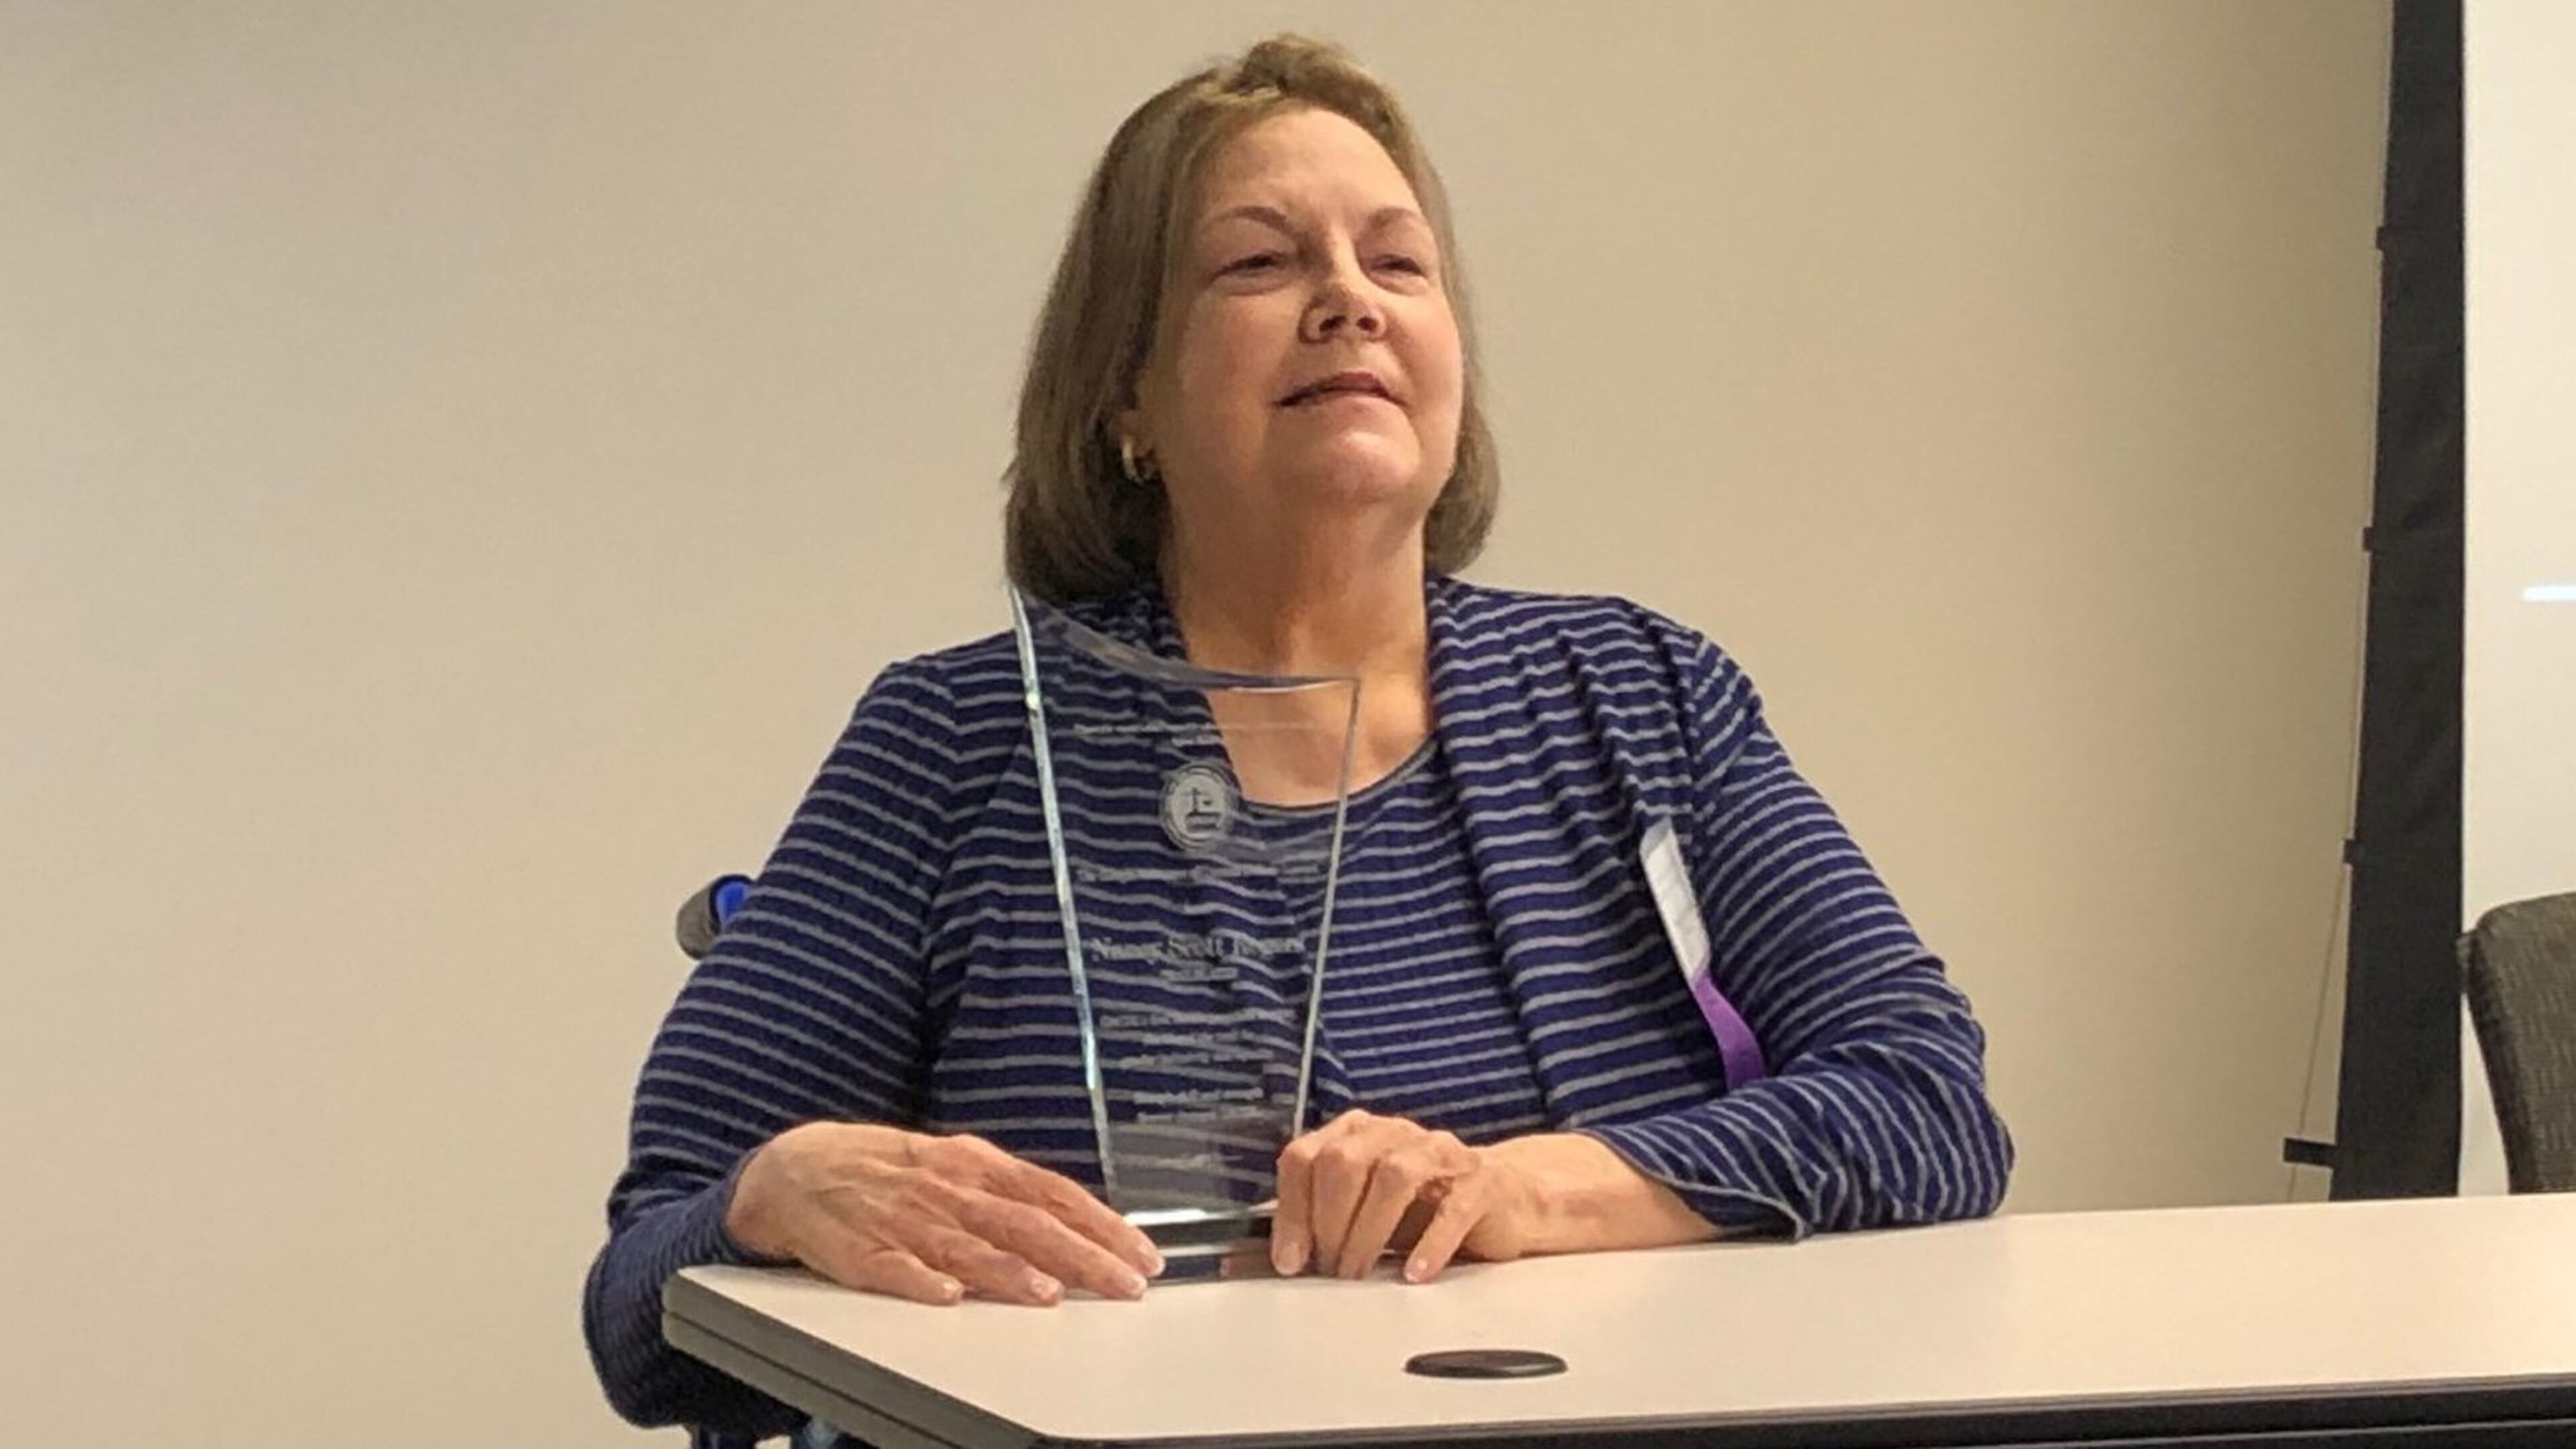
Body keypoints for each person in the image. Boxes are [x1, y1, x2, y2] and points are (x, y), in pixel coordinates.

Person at [584, 33, 2012, 1442]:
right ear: (1128, 397)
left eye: (1398, 262)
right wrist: (769, 1196)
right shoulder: (953, 743)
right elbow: (639, 1305)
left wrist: (1520, 1194)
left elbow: (1929, 1104)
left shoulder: (1639, 694)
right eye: (1260, 264)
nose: (1349, 300)